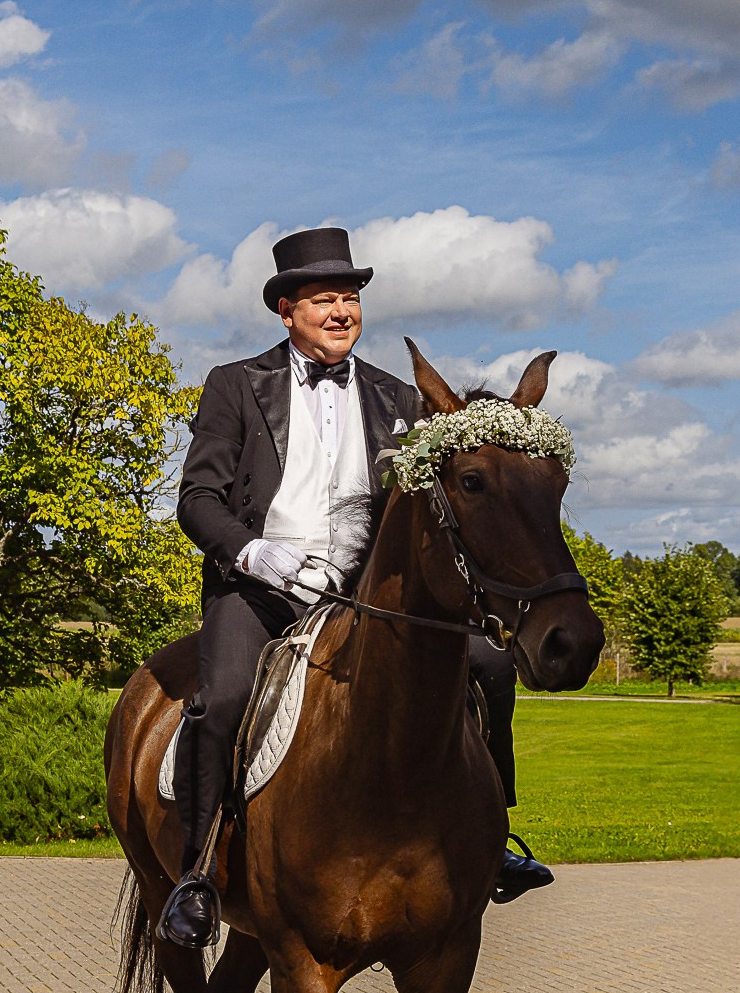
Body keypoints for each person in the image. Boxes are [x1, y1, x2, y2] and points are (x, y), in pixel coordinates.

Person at [158, 227, 550, 946]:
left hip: (365, 591)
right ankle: (197, 876)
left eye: (350, 297)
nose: (341, 311)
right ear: (286, 310)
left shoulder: (399, 396)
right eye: (323, 299)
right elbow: (197, 500)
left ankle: (496, 841)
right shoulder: (235, 385)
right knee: (222, 699)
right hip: (262, 588)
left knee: (492, 665)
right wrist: (256, 554)